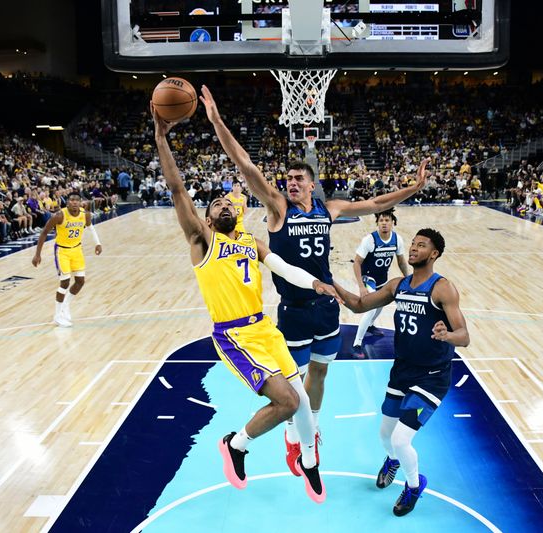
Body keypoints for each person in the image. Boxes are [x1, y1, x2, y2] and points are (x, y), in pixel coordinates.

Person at [199, 85, 429, 474]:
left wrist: (414, 188)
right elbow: (246, 167)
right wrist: (217, 121)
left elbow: (375, 204)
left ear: (311, 182)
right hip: (293, 309)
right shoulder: (277, 208)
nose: (290, 183)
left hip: (325, 305)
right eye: (287, 178)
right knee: (294, 384)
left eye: (296, 179)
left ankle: (312, 431)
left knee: (321, 373)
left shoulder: (330, 208)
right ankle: (293, 436)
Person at [153, 106, 332, 503]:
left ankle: (307, 459)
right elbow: (177, 189)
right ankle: (236, 444)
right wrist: (161, 136)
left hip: (265, 329)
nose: (223, 204)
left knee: (301, 399)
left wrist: (316, 282)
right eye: (215, 204)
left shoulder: (249, 241)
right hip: (234, 334)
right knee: (285, 401)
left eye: (226, 201)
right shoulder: (203, 242)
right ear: (206, 219)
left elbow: (283, 267)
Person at [334, 228, 470, 517]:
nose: (414, 248)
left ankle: (413, 485)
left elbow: (465, 335)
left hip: (432, 376)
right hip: (402, 370)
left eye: (421, 245)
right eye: (413, 244)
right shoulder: (399, 285)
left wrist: (448, 335)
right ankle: (393, 461)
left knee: (400, 438)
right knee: (385, 434)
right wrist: (330, 284)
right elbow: (359, 305)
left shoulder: (442, 288)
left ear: (434, 254)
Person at [31, 192, 103, 327]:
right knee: (64, 282)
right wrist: (37, 254)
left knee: (80, 281)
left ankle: (65, 305)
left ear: (80, 202)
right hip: (62, 251)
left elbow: (90, 227)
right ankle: (57, 316)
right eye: (71, 200)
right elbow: (44, 232)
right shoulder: (59, 215)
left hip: (77, 249)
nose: (74, 202)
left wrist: (97, 243)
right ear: (68, 202)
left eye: (77, 200)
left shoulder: (85, 214)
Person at [351, 209, 408, 357]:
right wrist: (361, 287)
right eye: (381, 220)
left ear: (392, 223)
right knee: (370, 308)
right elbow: (357, 263)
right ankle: (357, 343)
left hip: (382, 278)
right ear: (377, 223)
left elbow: (401, 261)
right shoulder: (369, 240)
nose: (384, 223)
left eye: (387, 220)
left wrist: (408, 278)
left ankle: (370, 325)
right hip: (368, 278)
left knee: (381, 304)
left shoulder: (397, 239)